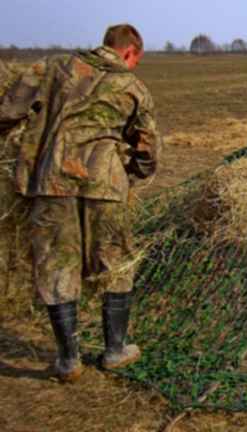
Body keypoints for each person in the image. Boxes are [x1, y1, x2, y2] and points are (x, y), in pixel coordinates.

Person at [0, 24, 161, 382]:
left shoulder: (55, 66)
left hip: (51, 183)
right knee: (115, 263)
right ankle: (115, 350)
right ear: (131, 52)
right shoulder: (134, 87)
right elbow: (148, 150)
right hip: (106, 186)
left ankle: (68, 360)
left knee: (56, 264)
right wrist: (130, 176)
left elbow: (9, 107)